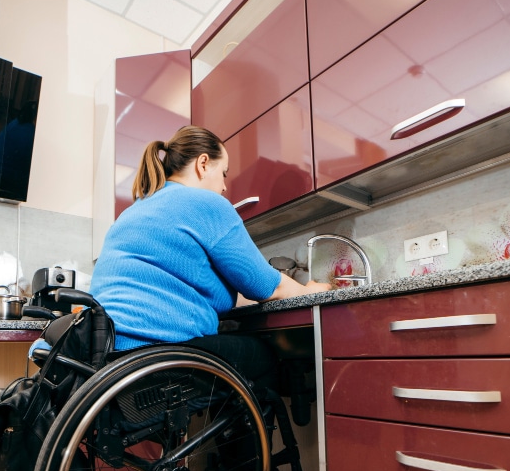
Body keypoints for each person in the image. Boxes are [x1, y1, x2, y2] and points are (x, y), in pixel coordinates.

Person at [89, 125, 331, 385]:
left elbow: (186, 287)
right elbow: (265, 286)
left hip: (106, 354)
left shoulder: (132, 212)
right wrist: (312, 291)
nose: (226, 187)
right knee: (264, 358)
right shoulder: (206, 203)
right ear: (203, 163)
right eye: (224, 173)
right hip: (158, 354)